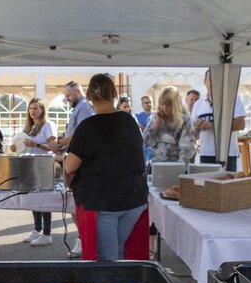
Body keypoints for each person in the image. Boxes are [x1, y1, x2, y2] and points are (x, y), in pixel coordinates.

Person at [65, 74, 148, 260]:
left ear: (89, 96)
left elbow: (70, 167)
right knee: (120, 252)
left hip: (103, 202)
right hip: (134, 198)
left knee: (107, 261)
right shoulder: (130, 121)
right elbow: (139, 158)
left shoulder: (87, 127)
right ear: (114, 94)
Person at [47, 80, 94, 257]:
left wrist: (59, 142)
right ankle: (83, 238)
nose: (67, 99)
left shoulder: (84, 108)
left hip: (80, 165)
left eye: (68, 95)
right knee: (76, 206)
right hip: (74, 161)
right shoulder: (79, 108)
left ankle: (85, 240)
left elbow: (82, 133)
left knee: (80, 205)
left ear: (78, 91)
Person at [11, 98, 57, 246]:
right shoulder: (29, 127)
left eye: (36, 108)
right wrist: (15, 147)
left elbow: (53, 146)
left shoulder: (48, 125)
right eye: (30, 108)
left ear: (42, 110)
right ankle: (37, 230)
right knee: (34, 200)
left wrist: (35, 143)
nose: (33, 111)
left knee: (44, 200)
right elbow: (24, 147)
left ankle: (47, 233)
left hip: (44, 166)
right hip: (30, 165)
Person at [191, 69, 246, 172]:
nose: (213, 83)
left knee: (227, 186)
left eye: (216, 79)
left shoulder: (233, 99)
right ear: (204, 81)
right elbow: (194, 136)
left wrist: (214, 126)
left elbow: (240, 125)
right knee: (209, 187)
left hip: (228, 154)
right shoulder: (198, 104)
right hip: (206, 153)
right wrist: (197, 127)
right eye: (210, 79)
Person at [142, 88, 196, 164]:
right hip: (156, 165)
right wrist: (156, 124)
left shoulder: (185, 120)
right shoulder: (154, 117)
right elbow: (146, 141)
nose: (164, 108)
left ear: (176, 105)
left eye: (168, 105)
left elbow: (187, 149)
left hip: (177, 166)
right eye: (162, 104)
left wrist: (179, 166)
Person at [134, 95, 154, 164]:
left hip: (155, 147)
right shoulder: (138, 116)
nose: (149, 104)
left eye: (150, 102)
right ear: (142, 104)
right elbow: (141, 129)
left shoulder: (157, 115)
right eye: (146, 103)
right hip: (143, 147)